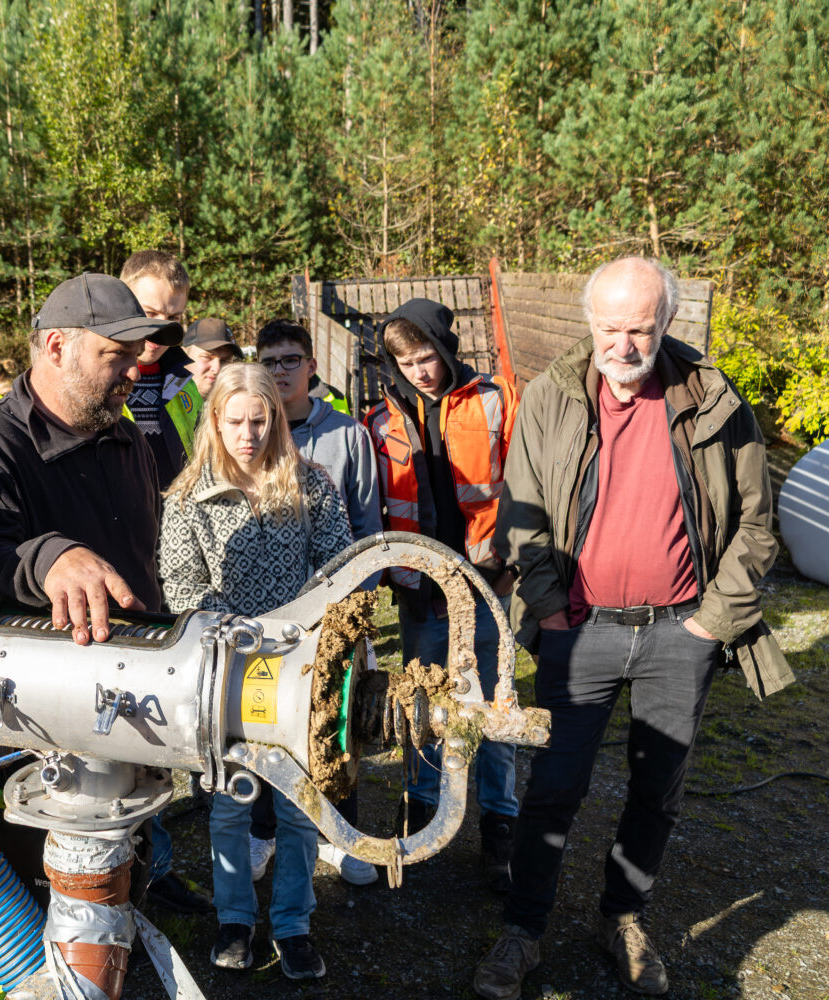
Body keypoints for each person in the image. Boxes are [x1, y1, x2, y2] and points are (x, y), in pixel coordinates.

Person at [474, 257, 792, 1000]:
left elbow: (756, 522)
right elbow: (521, 514)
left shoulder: (714, 399)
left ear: (667, 324)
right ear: (590, 324)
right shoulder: (552, 398)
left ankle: (623, 919)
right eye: (610, 327)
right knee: (553, 788)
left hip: (681, 635)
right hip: (579, 634)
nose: (624, 343)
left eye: (640, 328)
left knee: (658, 790)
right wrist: (549, 609)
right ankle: (522, 933)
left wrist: (714, 623)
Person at [0, 271, 211, 915]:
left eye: (137, 355)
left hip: (134, 685)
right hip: (38, 719)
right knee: (43, 896)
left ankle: (140, 890)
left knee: (129, 844)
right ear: (55, 347)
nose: (134, 372)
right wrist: (48, 555)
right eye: (115, 356)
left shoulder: (130, 439)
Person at [159, 363, 353, 980]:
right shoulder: (189, 498)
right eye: (235, 421)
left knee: (298, 805)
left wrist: (307, 632)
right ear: (214, 420)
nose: (247, 434)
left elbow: (337, 568)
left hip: (297, 671)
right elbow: (181, 587)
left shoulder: (309, 486)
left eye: (259, 421)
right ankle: (235, 917)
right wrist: (238, 631)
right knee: (230, 803)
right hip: (224, 675)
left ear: (276, 419)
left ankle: (293, 923)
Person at [362, 299, 521, 893]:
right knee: (421, 704)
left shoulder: (494, 400)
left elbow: (526, 487)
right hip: (419, 591)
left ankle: (500, 827)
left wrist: (513, 565)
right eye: (405, 362)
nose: (419, 371)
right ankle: (420, 819)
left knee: (493, 703)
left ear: (447, 349)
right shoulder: (379, 423)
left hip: (487, 580)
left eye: (426, 357)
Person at [250, 318, 382, 887]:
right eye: (270, 361)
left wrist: (360, 608)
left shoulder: (348, 435)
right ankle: (262, 832)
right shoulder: (247, 432)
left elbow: (366, 524)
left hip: (333, 608)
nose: (280, 371)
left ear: (311, 366)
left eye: (290, 360)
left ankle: (340, 835)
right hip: (268, 613)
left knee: (337, 718)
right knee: (258, 722)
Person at [120, 251, 192, 488]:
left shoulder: (182, 382)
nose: (160, 328)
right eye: (149, 314)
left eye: (173, 317)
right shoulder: (96, 379)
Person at [167, 317, 240, 457]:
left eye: (225, 361)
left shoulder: (239, 407)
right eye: (207, 357)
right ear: (184, 355)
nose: (217, 368)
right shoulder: (165, 401)